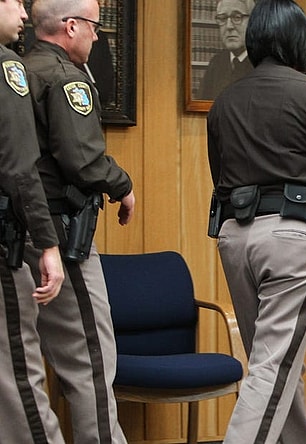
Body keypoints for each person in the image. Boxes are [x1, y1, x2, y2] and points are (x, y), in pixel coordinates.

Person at [207, 0, 306, 442]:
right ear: (299, 40)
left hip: (235, 238)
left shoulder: (225, 99)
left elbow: (218, 172)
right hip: (292, 236)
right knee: (273, 365)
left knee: (274, 360)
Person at [24, 0, 136, 442]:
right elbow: (83, 160)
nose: (97, 34)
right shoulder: (66, 79)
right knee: (90, 358)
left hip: (26, 231)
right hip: (62, 236)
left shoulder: (18, 70)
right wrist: (122, 185)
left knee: (27, 358)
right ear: (70, 27)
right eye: (93, 25)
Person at [0, 1, 66, 442]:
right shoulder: (8, 68)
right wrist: (48, 244)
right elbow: (21, 167)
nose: (23, 14)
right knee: (19, 381)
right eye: (12, 2)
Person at [197, 0, 255, 100]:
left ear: (253, 22)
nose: (229, 26)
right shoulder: (216, 63)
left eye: (237, 17)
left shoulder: (262, 64)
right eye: (222, 18)